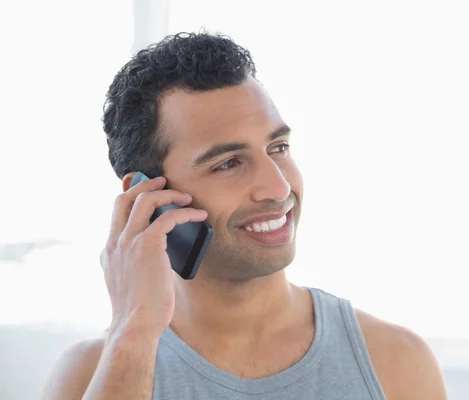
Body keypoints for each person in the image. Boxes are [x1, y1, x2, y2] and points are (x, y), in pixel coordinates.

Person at [39, 31, 447, 400]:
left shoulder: (396, 363)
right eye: (228, 163)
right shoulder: (92, 375)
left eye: (279, 148)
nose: (278, 188)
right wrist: (133, 334)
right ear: (146, 196)